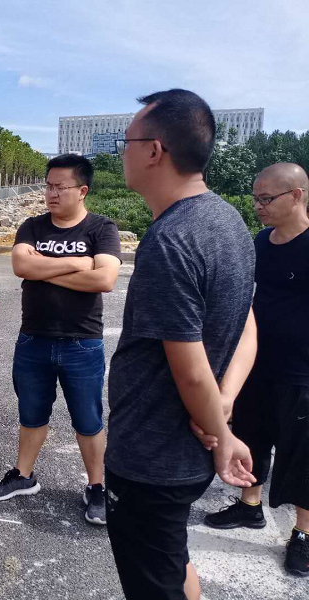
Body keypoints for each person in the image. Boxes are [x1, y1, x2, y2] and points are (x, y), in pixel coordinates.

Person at [104, 89, 258, 600]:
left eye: (126, 142)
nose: (121, 153)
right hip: (185, 449)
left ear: (154, 150)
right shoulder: (230, 222)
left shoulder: (172, 240)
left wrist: (222, 434)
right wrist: (224, 403)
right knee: (172, 555)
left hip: (153, 457)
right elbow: (247, 325)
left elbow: (190, 369)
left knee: (155, 580)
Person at [0, 154, 121, 527]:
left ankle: (96, 486)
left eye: (60, 187)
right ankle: (23, 475)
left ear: (82, 190)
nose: (51, 193)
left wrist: (43, 269)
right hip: (34, 340)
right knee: (31, 414)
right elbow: (20, 266)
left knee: (88, 419)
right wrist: (79, 263)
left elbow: (104, 279)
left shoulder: (101, 228)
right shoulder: (32, 226)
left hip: (82, 342)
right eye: (48, 186)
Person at [201, 162, 309, 577]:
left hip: (301, 371)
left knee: (302, 454)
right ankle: (249, 505)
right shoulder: (261, 242)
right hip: (256, 363)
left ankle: (303, 532)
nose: (258, 206)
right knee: (251, 437)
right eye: (256, 198)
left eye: (267, 198)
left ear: (296, 196)